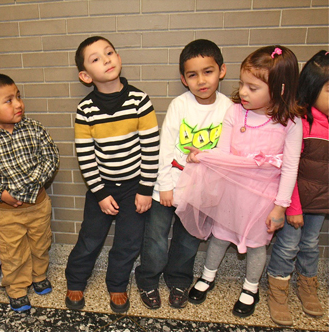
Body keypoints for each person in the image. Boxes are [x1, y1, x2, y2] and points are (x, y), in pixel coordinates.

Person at [174, 45, 304, 318]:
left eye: (253, 87)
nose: (243, 92)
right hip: (231, 190)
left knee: (256, 244)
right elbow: (223, 151)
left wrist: (281, 207)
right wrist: (204, 157)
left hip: (263, 196)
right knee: (219, 236)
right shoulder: (235, 112)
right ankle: (208, 275)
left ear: (280, 89)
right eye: (242, 84)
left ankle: (251, 287)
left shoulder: (291, 123)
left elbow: (291, 167)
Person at [65, 36, 160, 314]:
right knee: (90, 238)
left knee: (129, 241)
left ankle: (117, 284)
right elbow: (85, 156)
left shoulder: (140, 101)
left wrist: (145, 188)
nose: (106, 59)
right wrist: (100, 193)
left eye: (109, 53)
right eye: (96, 58)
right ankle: (75, 279)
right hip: (101, 187)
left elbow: (151, 148)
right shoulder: (86, 110)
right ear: (85, 75)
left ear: (118, 57)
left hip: (134, 189)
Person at [134, 39, 232, 309]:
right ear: (183, 79)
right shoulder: (180, 105)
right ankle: (147, 278)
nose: (201, 80)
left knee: (188, 241)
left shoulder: (229, 108)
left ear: (222, 70)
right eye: (193, 74)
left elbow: (228, 153)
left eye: (208, 71)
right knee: (155, 238)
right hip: (167, 188)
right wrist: (165, 186)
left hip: (200, 193)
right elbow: (164, 148)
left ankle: (178, 278)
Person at [0, 73, 59, 313]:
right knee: (13, 252)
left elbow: (51, 157)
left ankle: (39, 277)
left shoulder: (34, 128)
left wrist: (31, 183)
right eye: (8, 100)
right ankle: (17, 289)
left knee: (41, 244)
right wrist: (2, 194)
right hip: (7, 212)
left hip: (38, 205)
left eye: (18, 96)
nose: (18, 104)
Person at [266, 50, 328, 326]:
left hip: (321, 202)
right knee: (288, 245)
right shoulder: (301, 122)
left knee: (311, 245)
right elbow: (288, 168)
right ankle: (278, 292)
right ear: (313, 87)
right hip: (296, 202)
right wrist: (292, 207)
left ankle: (307, 288)